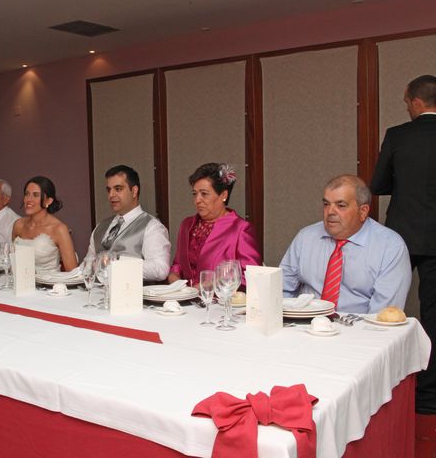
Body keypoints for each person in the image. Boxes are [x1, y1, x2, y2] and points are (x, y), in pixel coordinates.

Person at [370, 74, 436, 414]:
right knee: (434, 314)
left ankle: (380, 382)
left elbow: (378, 184)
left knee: (385, 305)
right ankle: (428, 396)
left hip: (402, 235)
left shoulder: (398, 135)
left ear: (416, 102)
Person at [280, 174, 411, 314]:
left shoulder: (390, 247)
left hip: (360, 330)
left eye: (340, 205)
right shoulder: (305, 238)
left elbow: (383, 315)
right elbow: (281, 290)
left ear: (363, 211)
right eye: (326, 204)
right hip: (306, 327)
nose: (330, 212)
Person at [168, 163, 261, 286]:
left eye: (204, 194)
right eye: (194, 194)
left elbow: (250, 275)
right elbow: (178, 264)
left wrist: (211, 285)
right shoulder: (187, 225)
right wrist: (174, 277)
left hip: (220, 302)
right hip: (185, 301)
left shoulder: (240, 229)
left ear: (223, 195)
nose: (197, 200)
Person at [84, 165, 170, 282]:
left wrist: (117, 265)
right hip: (97, 295)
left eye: (118, 189)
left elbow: (160, 269)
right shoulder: (100, 226)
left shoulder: (152, 227)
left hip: (132, 296)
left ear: (134, 191)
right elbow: (87, 264)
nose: (111, 195)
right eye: (109, 190)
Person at [12, 176, 78, 272]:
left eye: (35, 195)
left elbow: (72, 272)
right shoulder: (18, 225)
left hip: (50, 285)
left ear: (48, 201)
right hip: (21, 284)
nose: (28, 199)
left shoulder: (59, 229)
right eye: (27, 194)